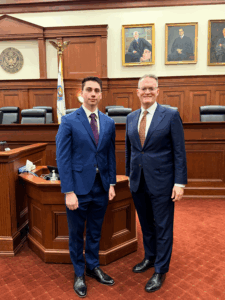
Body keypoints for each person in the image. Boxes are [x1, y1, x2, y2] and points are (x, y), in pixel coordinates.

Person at [125, 74, 187, 293]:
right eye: (144, 88)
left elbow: (179, 151)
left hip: (162, 182)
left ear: (158, 91)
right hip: (138, 182)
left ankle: (161, 269)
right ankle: (150, 257)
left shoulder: (170, 115)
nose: (147, 92)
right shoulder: (131, 117)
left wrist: (179, 182)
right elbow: (130, 151)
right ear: (138, 92)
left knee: (162, 226)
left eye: (151, 88)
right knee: (146, 224)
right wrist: (128, 177)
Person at [56, 76, 116, 298]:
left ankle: (92, 266)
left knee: (95, 231)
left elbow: (110, 155)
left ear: (101, 95)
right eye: (89, 90)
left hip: (101, 187)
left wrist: (111, 183)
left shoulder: (109, 123)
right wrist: (68, 191)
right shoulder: (69, 120)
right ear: (81, 93)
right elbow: (62, 158)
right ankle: (79, 273)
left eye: (97, 90)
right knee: (76, 234)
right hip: (78, 190)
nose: (93, 94)